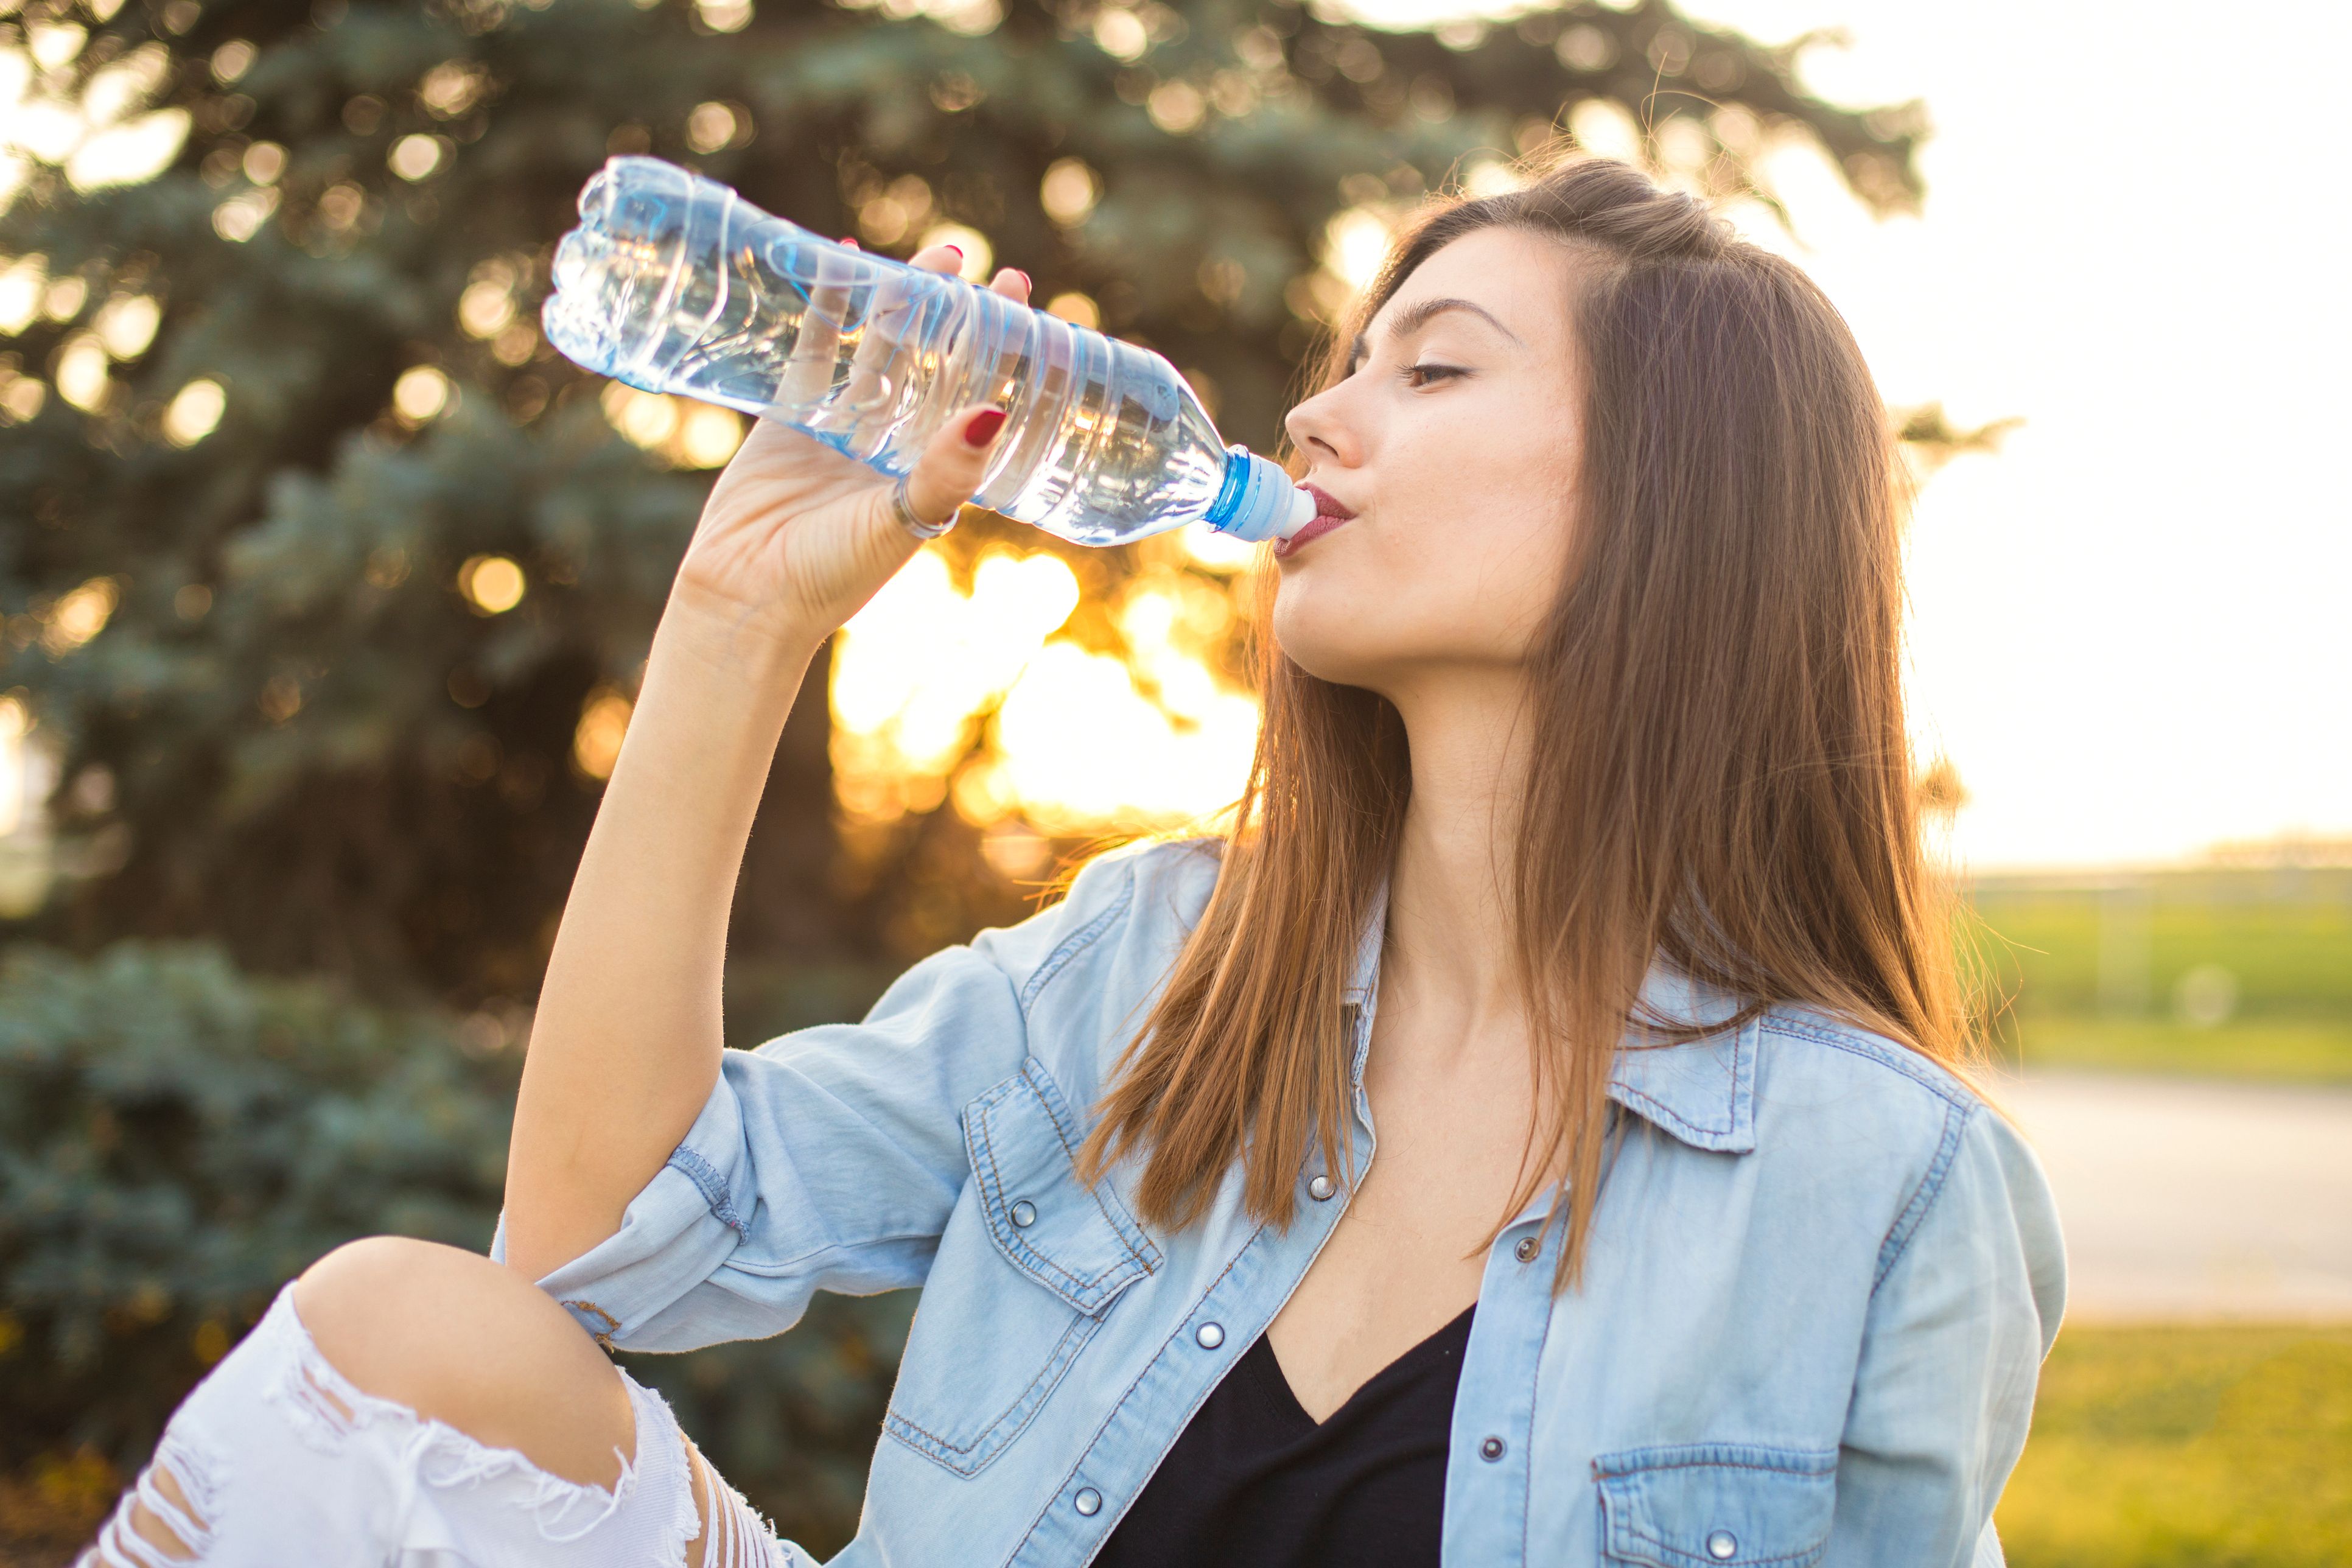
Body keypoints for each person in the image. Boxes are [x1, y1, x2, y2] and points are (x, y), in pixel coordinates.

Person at [80, 149, 2064, 1568]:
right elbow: (599, 1251)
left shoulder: (1878, 1190)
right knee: (396, 1327)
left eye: (1432, 368)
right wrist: (739, 617)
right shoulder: (1157, 968)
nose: (1321, 409)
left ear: (1676, 498)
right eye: (1349, 360)